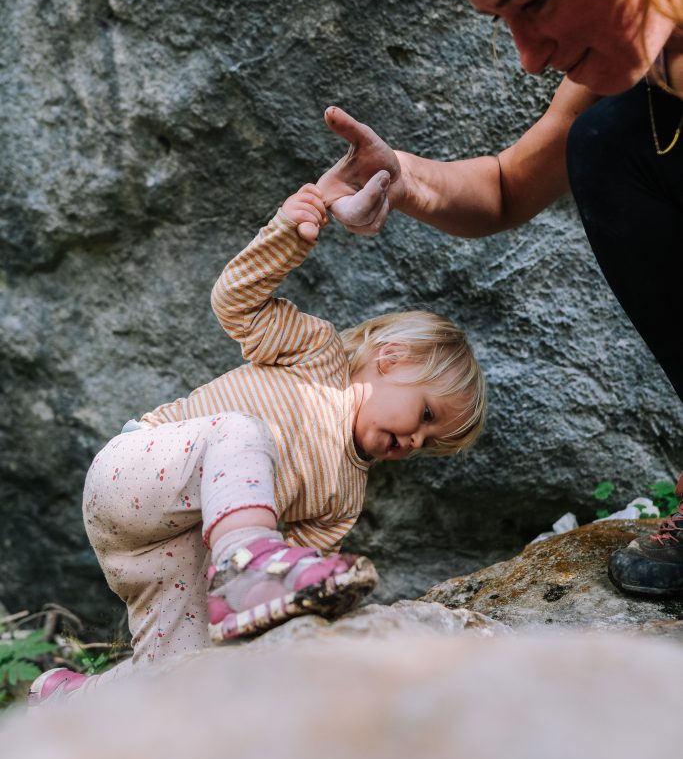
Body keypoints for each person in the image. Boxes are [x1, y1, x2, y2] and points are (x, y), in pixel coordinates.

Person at [314, 0, 683, 599]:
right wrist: (398, 175)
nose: (525, 56)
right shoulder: (648, 69)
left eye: (536, 1)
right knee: (605, 142)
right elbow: (509, 185)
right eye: (501, 20)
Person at [29, 175, 486, 705]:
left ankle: (68, 704)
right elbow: (236, 301)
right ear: (391, 358)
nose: (415, 440)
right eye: (425, 413)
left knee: (187, 673)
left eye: (430, 443)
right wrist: (291, 231)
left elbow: (289, 588)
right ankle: (246, 561)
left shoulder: (343, 500)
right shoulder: (316, 353)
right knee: (242, 431)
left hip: (176, 554)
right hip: (135, 475)